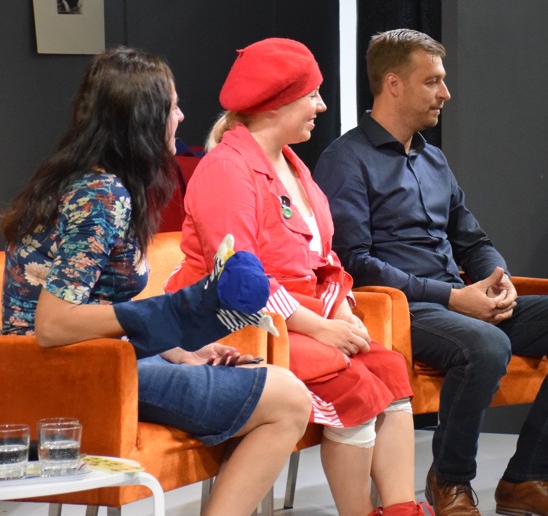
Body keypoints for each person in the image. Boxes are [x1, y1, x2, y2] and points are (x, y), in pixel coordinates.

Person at [314, 28, 548, 516]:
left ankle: (529, 478)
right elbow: (355, 262)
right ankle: (450, 480)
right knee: (486, 344)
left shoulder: (433, 158)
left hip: (461, 303)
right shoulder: (345, 160)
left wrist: (497, 278)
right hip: (401, 311)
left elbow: (472, 240)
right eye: (432, 81)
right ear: (393, 84)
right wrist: (452, 298)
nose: (446, 93)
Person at [1, 47, 311, 516]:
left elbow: (94, 307)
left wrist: (177, 349)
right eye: (173, 107)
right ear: (143, 119)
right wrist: (170, 316)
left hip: (92, 365)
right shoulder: (102, 194)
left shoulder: (87, 181)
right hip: (74, 377)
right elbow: (53, 324)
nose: (181, 117)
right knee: (289, 399)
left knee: (268, 381)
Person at [166, 38, 431, 516]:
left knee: (389, 367)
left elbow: (324, 257)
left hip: (296, 320)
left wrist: (341, 311)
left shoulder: (292, 164)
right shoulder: (227, 170)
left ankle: (400, 509)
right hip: (235, 325)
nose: (321, 106)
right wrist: (321, 328)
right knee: (353, 383)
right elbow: (238, 280)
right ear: (276, 103)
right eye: (312, 95)